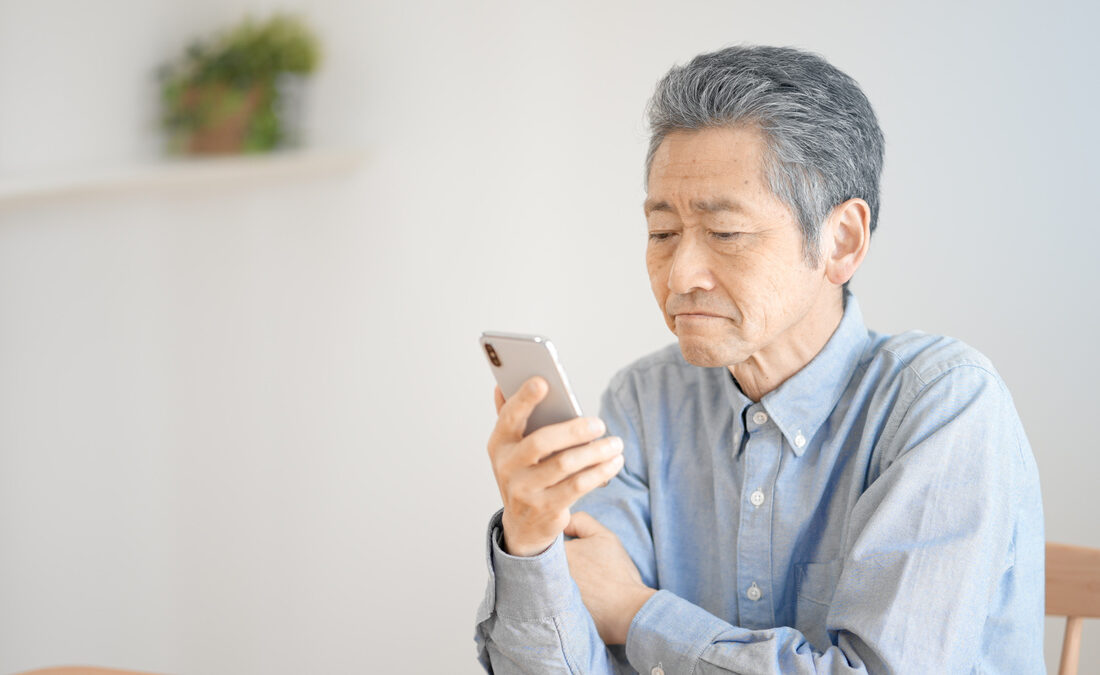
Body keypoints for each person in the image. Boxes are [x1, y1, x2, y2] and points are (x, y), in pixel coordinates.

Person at [474, 44, 1044, 674]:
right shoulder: (645, 400)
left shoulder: (943, 404)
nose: (681, 274)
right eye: (662, 233)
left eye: (726, 234)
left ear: (841, 240)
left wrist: (638, 614)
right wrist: (530, 543)